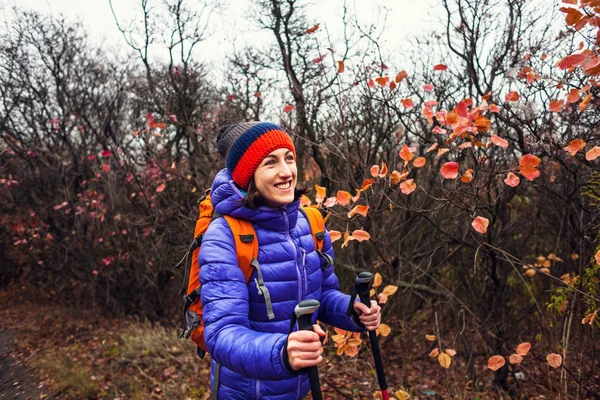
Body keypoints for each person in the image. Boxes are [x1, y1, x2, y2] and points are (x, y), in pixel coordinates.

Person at [199, 121, 381, 399]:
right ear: (248, 175)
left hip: (298, 387)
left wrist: (353, 310)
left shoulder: (310, 223)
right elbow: (222, 334)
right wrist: (282, 352)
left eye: (290, 158)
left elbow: (322, 296)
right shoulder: (225, 235)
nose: (286, 172)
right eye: (270, 162)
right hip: (247, 392)